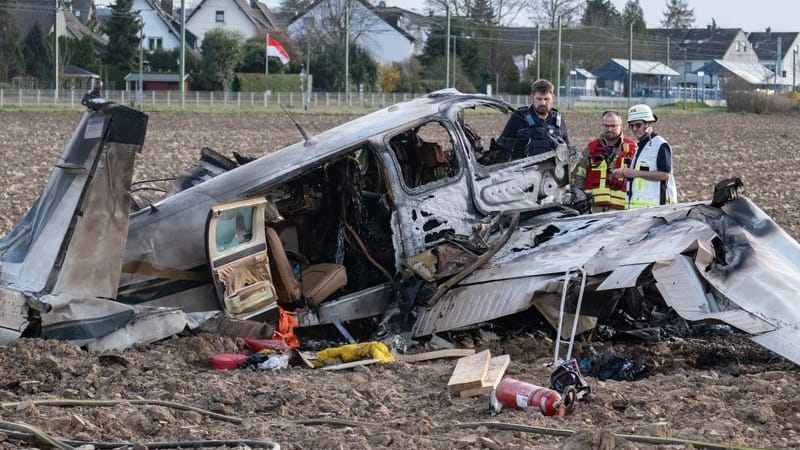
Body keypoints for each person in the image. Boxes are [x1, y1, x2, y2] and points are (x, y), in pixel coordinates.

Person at [612, 104, 677, 209]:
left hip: (656, 210)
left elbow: (665, 175)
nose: (634, 129)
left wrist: (633, 173)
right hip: (639, 210)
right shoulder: (641, 146)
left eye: (638, 125)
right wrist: (625, 173)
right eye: (631, 125)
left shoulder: (660, 145)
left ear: (648, 123)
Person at [573, 110, 637, 213]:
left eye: (613, 126)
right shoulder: (590, 149)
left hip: (622, 212)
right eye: (606, 126)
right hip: (594, 212)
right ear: (601, 126)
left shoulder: (633, 149)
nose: (609, 129)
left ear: (621, 126)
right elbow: (579, 177)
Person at [495, 79, 569, 160]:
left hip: (551, 172)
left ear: (553, 98)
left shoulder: (558, 121)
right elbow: (501, 148)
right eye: (539, 99)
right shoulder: (519, 118)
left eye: (546, 99)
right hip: (524, 171)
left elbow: (566, 151)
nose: (543, 103)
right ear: (532, 97)